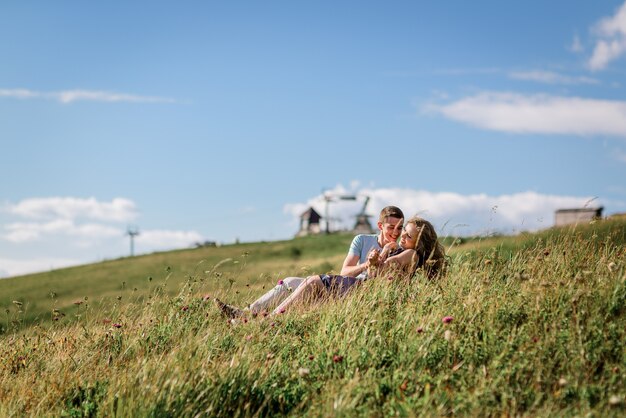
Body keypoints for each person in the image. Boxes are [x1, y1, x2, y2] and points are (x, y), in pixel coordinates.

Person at [214, 205, 405, 319]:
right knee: (288, 282)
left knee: (311, 282)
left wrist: (381, 259)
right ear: (380, 226)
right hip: (342, 285)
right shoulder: (362, 240)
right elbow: (344, 271)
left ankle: (269, 320)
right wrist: (366, 264)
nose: (395, 233)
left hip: (356, 294)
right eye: (391, 227)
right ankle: (245, 314)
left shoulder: (399, 251)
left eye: (399, 228)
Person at [268, 215, 445, 315]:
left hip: (362, 290)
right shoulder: (405, 251)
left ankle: (271, 319)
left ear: (419, 242)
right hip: (365, 290)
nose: (402, 237)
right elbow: (378, 272)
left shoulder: (411, 254)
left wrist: (381, 255)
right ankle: (271, 317)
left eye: (408, 236)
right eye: (403, 232)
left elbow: (385, 267)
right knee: (313, 297)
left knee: (314, 282)